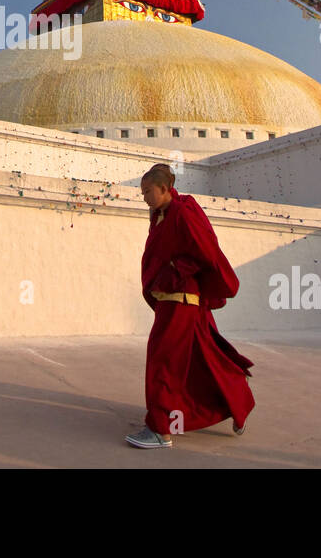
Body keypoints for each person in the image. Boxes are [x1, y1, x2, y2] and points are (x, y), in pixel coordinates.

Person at [125, 163, 256, 448]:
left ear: (164, 188)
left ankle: (161, 430)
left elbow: (206, 252)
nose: (144, 197)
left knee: (164, 361)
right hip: (172, 300)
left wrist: (173, 271)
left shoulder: (183, 214)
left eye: (148, 191)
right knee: (203, 358)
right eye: (142, 192)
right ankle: (238, 402)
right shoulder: (162, 215)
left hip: (180, 298)